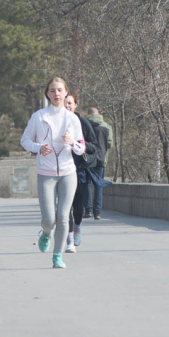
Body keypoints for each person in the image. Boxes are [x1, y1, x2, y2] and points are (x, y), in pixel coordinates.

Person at [21, 78, 86, 268]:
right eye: (52, 91)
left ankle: (58, 256)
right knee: (49, 219)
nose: (56, 94)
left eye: (59, 90)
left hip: (68, 173)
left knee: (63, 216)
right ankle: (46, 233)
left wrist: (72, 142)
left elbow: (82, 148)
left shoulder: (72, 119)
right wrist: (38, 147)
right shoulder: (38, 117)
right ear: (47, 94)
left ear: (66, 93)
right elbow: (24, 140)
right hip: (45, 173)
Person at [63, 94, 98, 252]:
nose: (67, 106)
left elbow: (93, 146)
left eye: (69, 103)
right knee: (65, 208)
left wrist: (76, 143)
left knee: (78, 207)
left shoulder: (82, 122)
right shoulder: (57, 123)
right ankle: (69, 239)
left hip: (80, 171)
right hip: (62, 172)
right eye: (64, 103)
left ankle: (77, 227)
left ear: (75, 105)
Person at [84, 107, 114, 221]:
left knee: (86, 184)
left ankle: (88, 211)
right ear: (99, 114)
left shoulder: (85, 125)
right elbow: (110, 144)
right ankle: (97, 213)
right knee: (98, 185)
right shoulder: (106, 126)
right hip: (101, 159)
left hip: (87, 159)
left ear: (89, 115)